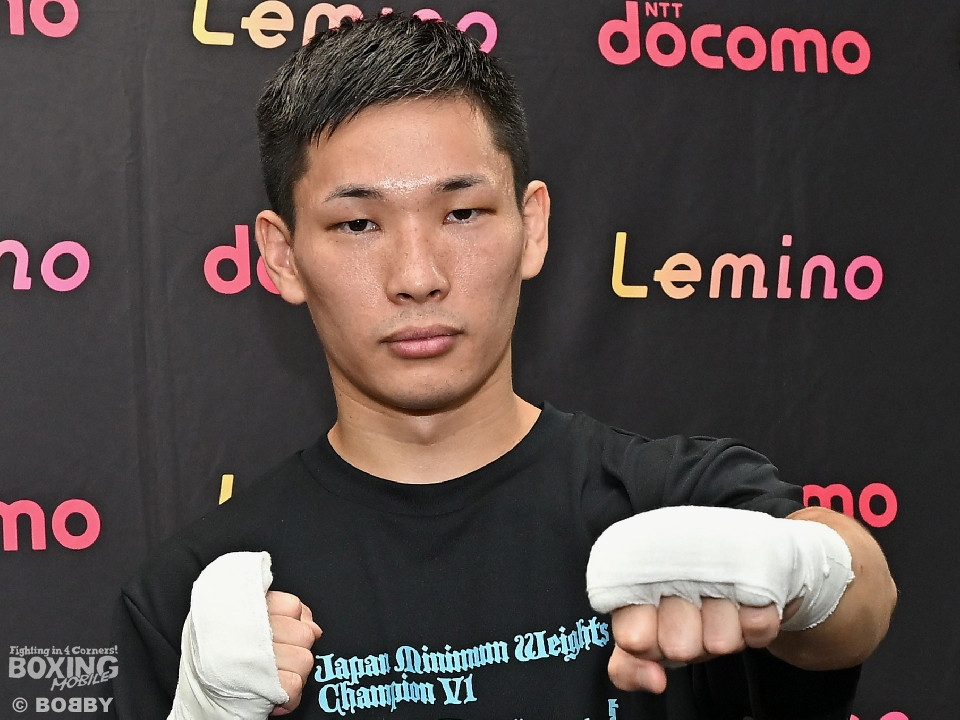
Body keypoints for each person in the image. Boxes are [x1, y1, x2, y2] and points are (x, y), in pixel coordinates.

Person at [113, 14, 896, 720]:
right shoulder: (207, 600)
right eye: (357, 225)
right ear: (282, 257)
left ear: (533, 226)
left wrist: (807, 574)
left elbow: (862, 608)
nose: (417, 276)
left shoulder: (664, 499)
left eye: (462, 213)